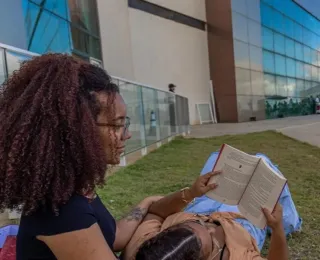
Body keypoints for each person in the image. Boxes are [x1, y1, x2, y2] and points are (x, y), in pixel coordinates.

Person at [0, 53, 218, 260]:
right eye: (117, 124)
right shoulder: (61, 213)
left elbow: (114, 237)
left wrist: (153, 202)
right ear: (79, 131)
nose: (127, 134)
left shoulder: (77, 188)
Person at [123, 190, 289, 260]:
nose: (210, 226)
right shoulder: (237, 256)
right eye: (210, 236)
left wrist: (190, 193)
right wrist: (277, 228)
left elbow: (156, 213)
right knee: (270, 176)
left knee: (219, 159)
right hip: (243, 224)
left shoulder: (147, 250)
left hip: (201, 207)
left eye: (194, 224)